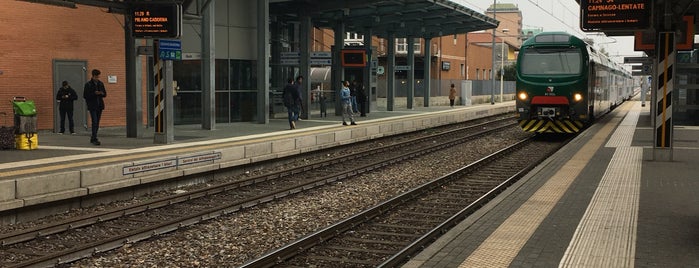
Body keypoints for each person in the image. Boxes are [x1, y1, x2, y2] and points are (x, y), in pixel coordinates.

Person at [84, 69, 106, 145]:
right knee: (95, 122)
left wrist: (100, 93)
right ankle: (94, 138)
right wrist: (94, 93)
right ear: (93, 76)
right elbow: (85, 95)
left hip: (99, 105)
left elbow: (105, 94)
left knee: (97, 122)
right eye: (96, 77)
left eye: (98, 77)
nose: (97, 78)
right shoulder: (88, 84)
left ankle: (93, 137)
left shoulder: (100, 84)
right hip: (92, 105)